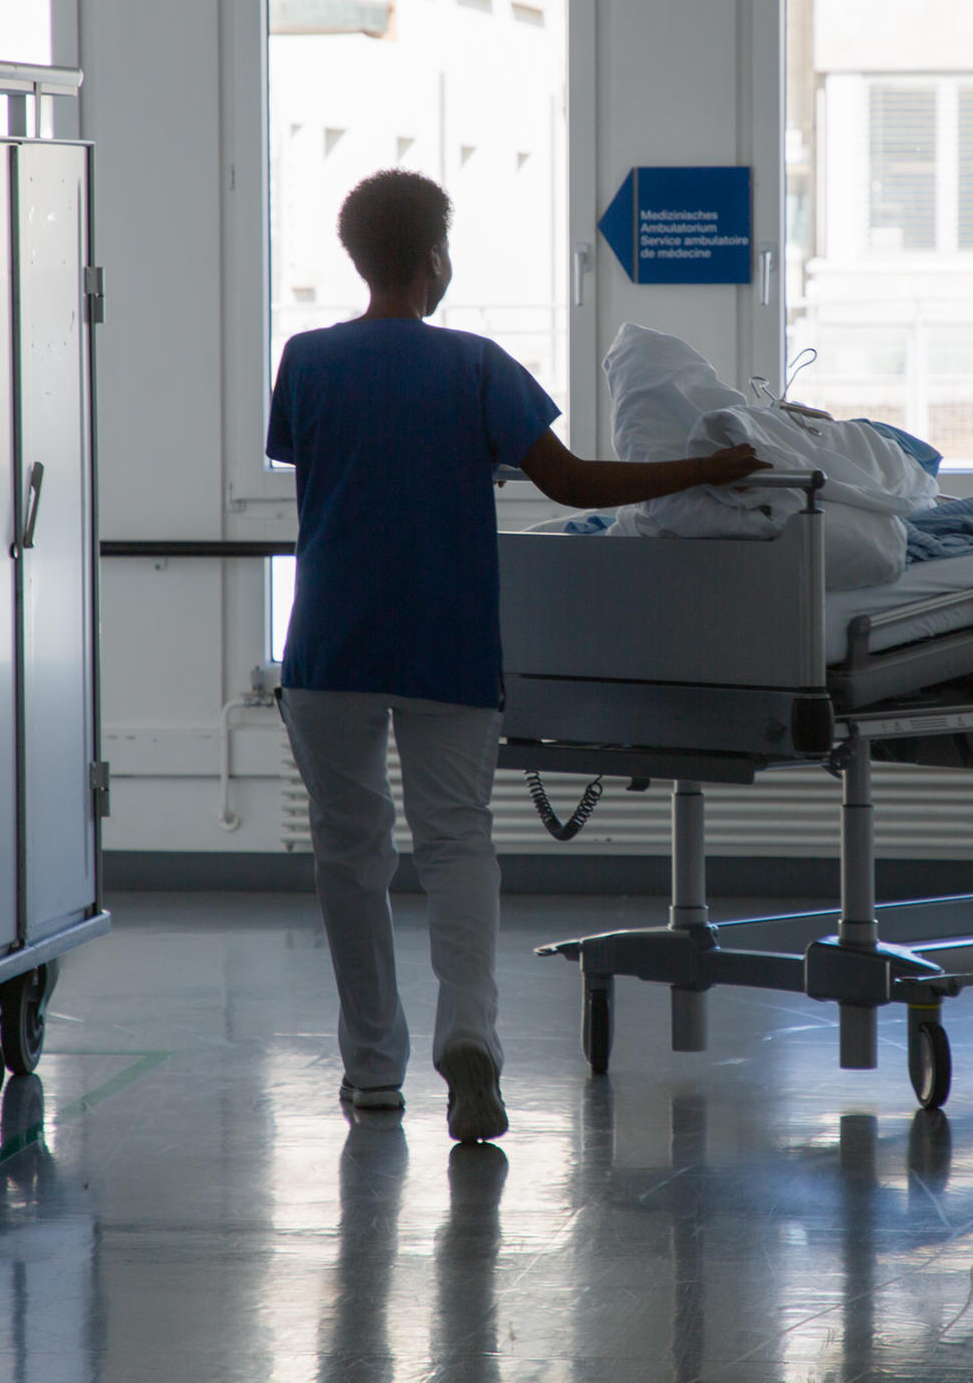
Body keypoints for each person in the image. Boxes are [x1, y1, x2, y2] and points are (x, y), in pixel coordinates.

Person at [267, 169, 767, 1143]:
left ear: (360, 255)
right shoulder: (474, 366)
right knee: (455, 847)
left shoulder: (307, 361)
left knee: (348, 856)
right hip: (443, 642)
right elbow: (574, 480)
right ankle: (471, 1043)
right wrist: (705, 467)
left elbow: (319, 464)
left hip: (327, 645)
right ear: (433, 258)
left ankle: (372, 1070)